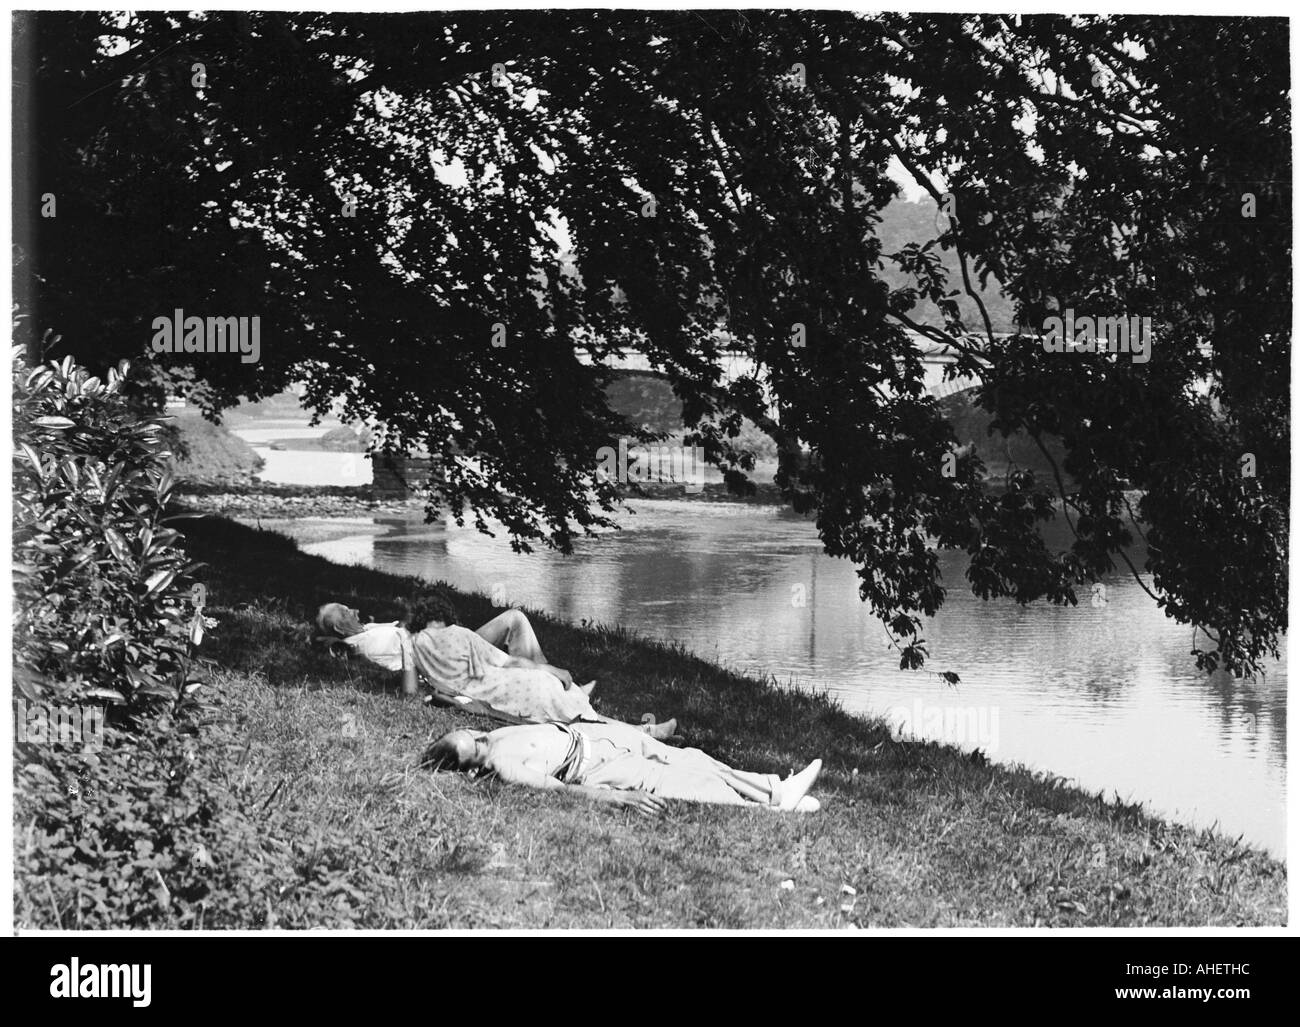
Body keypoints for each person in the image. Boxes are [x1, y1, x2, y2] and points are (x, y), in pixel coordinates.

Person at [316, 598, 678, 740]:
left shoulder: (368, 632)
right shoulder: (363, 644)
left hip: (455, 664)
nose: (356, 612)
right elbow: (402, 672)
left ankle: (560, 685)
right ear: (338, 629)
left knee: (516, 623)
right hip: (459, 658)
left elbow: (409, 674)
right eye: (347, 613)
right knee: (519, 639)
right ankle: (633, 727)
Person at [421, 719, 823, 816]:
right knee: (677, 780)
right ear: (470, 765)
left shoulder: (496, 734)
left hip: (597, 736)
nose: (478, 738)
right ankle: (767, 808)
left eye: (471, 733)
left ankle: (774, 790)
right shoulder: (504, 763)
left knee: (692, 757)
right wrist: (619, 799)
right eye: (472, 747)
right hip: (592, 767)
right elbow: (558, 791)